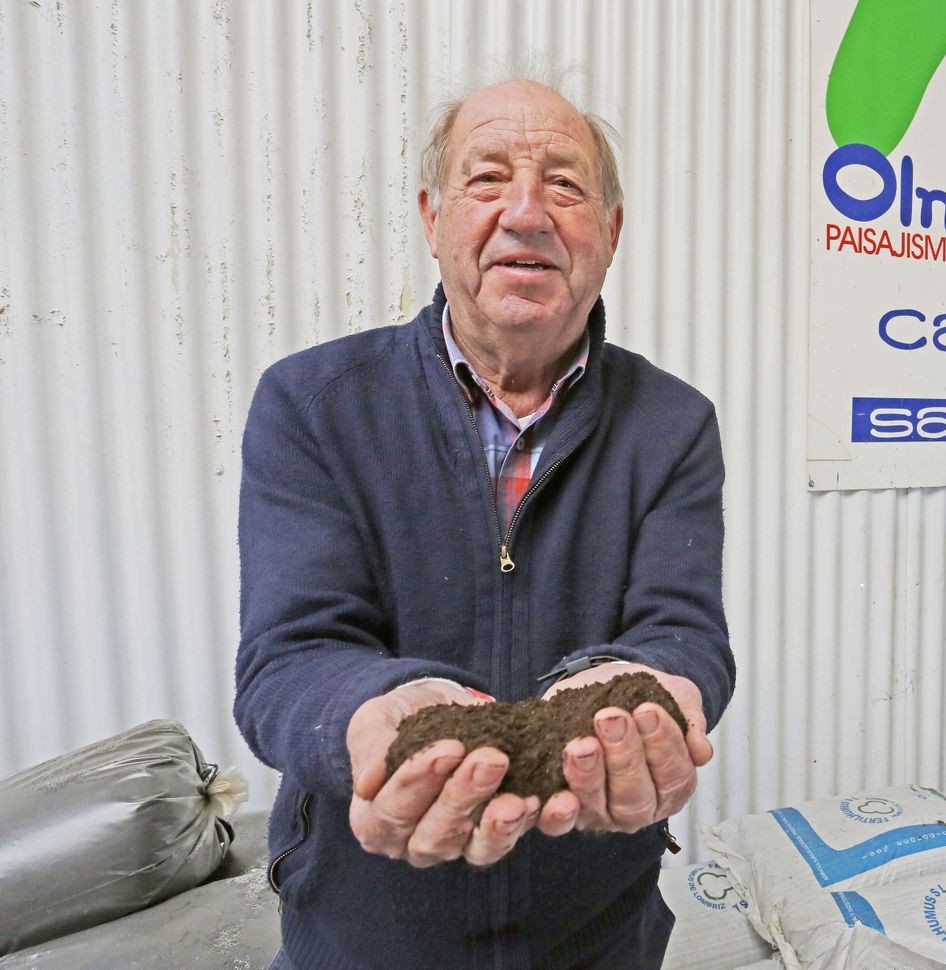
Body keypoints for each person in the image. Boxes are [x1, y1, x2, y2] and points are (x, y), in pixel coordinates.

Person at [234, 68, 734, 970]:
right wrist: (376, 714)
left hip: (598, 932)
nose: (527, 211)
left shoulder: (674, 423)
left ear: (610, 233)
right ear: (433, 218)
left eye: (567, 184)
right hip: (364, 932)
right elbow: (288, 658)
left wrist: (648, 687)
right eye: (488, 176)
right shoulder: (312, 405)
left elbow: (683, 631)